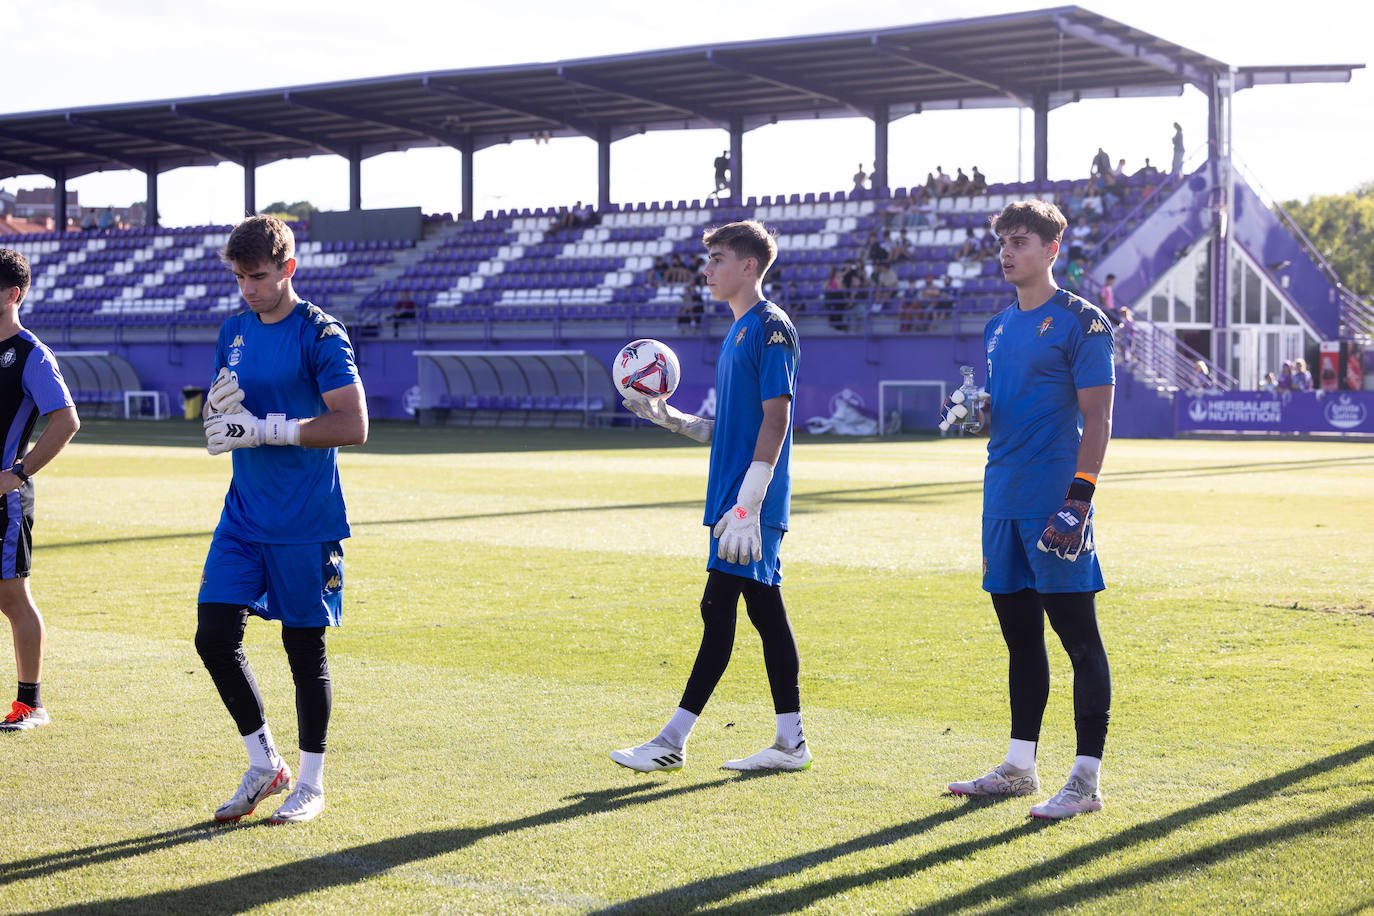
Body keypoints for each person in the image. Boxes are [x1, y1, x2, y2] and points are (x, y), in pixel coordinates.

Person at [613, 219, 808, 773]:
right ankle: (790, 743)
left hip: (751, 502)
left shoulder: (771, 327)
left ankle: (672, 739)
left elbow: (777, 421)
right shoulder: (739, 329)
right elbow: (737, 427)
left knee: (718, 611)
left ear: (749, 265)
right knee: (764, 613)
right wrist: (676, 421)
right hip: (734, 498)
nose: (707, 270)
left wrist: (750, 503)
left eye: (718, 259)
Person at [945, 199, 1116, 820]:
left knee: (1078, 638)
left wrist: (1080, 499)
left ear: (1052, 249)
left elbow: (1098, 418)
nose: (1007, 252)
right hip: (1002, 498)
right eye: (1002, 243)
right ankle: (1020, 766)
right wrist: (973, 413)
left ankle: (1086, 781)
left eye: (1019, 242)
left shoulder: (1083, 322)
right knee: (1020, 639)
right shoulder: (996, 326)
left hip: (1055, 501)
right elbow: (1002, 409)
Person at [196, 215, 368, 824]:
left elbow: (353, 424)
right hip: (243, 515)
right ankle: (265, 764)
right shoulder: (234, 330)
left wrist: (269, 430)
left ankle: (313, 785)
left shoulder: (321, 333)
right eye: (240, 277)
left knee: (304, 651)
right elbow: (226, 412)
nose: (248, 288)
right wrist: (218, 422)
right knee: (213, 636)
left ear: (288, 269)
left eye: (259, 276)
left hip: (304, 519)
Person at [0, 250, 80, 733]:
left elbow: (66, 420)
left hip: (4, 502)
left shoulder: (31, 355)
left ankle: (31, 705)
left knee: (12, 599)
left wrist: (18, 472)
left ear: (13, 294)